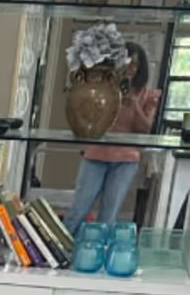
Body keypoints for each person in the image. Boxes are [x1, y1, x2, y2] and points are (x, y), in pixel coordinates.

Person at [63, 42, 162, 236]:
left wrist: (133, 104)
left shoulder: (148, 95)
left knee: (109, 214)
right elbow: (89, 118)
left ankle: (97, 255)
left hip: (125, 160)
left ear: (141, 68)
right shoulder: (103, 89)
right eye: (127, 63)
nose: (131, 69)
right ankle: (59, 251)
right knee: (79, 209)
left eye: (135, 64)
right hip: (95, 155)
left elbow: (146, 129)